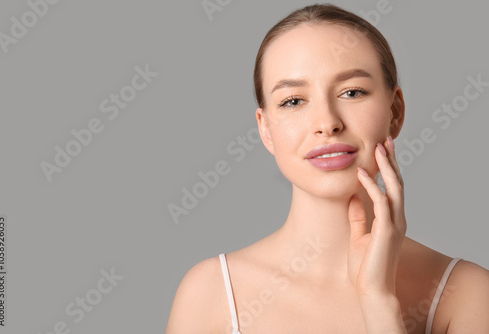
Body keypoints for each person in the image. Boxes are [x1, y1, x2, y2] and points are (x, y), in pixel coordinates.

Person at [166, 4, 489, 333]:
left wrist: (378, 300)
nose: (327, 123)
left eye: (352, 92)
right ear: (265, 129)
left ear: (395, 111)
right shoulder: (211, 293)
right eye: (293, 100)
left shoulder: (468, 293)